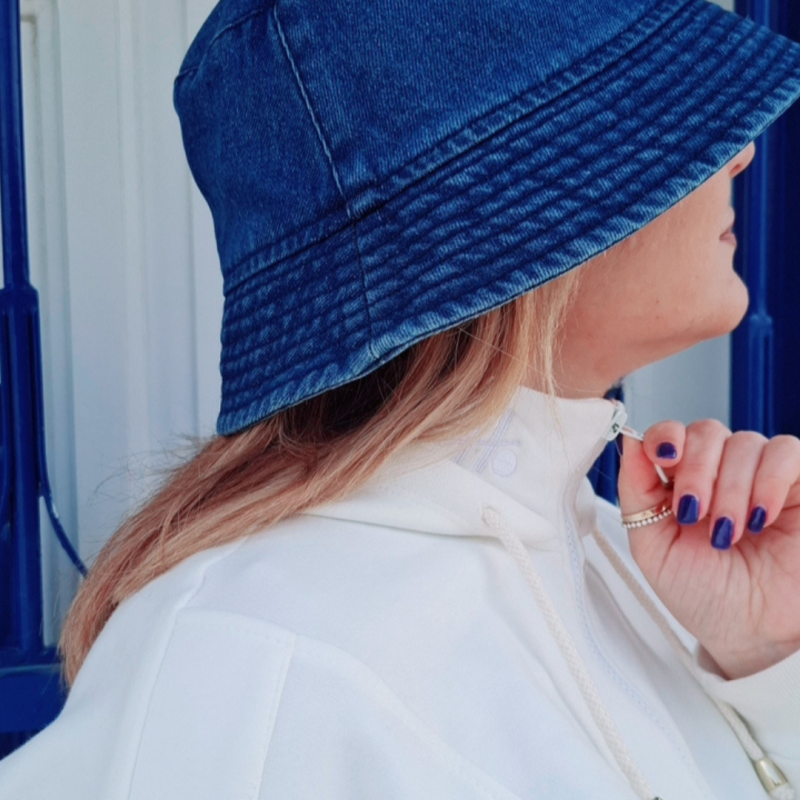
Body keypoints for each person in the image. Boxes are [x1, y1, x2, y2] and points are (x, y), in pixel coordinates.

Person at [2, 0, 800, 798]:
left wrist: (762, 656)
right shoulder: (251, 671)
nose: (741, 154)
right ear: (512, 213)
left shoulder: (611, 550)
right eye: (662, 106)